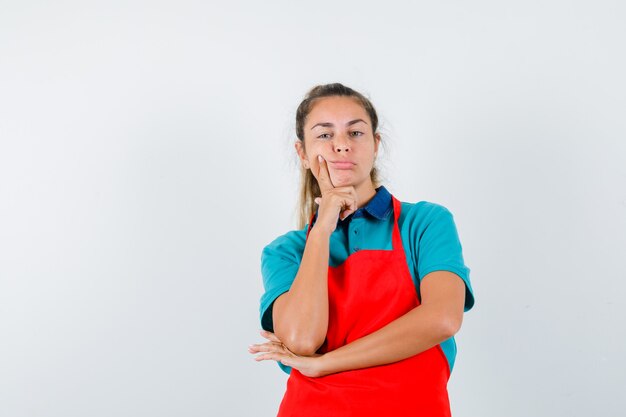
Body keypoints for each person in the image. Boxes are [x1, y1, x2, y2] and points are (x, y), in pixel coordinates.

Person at [248, 83, 475, 417]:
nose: (342, 145)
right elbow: (300, 340)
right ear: (303, 153)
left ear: (375, 144)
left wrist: (325, 363)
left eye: (355, 132)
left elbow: (442, 318)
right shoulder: (285, 252)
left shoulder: (424, 223)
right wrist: (322, 227)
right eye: (325, 135)